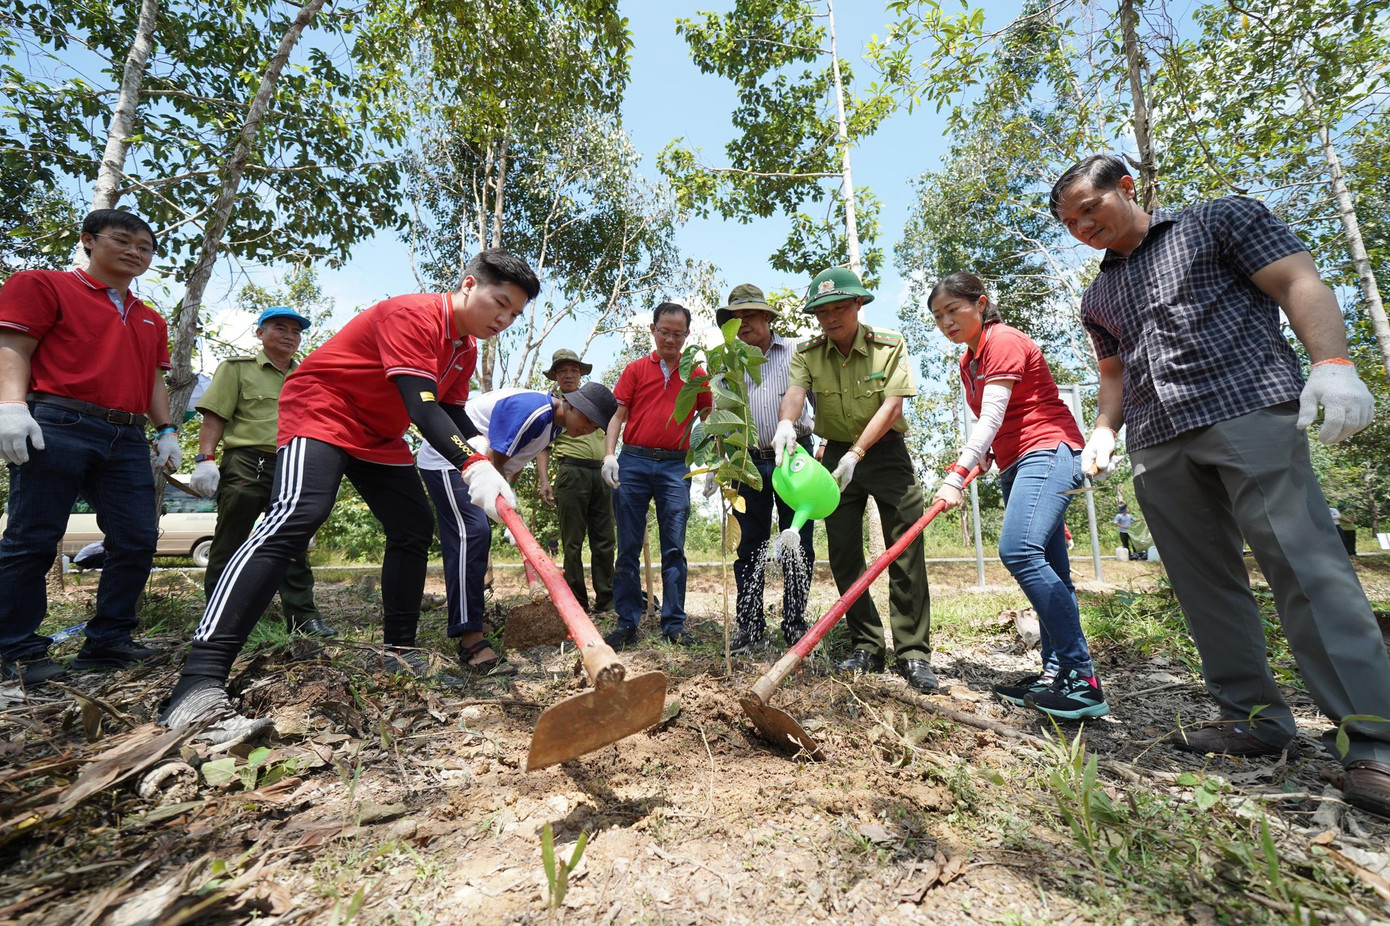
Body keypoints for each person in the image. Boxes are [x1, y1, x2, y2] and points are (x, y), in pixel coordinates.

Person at [1052, 154, 1390, 817]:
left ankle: (1374, 738)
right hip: (1155, 437)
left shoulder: (1217, 221)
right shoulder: (1098, 295)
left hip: (1245, 408)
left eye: (1090, 208)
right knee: (1203, 581)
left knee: (1305, 565)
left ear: (1126, 187)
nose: (1083, 226)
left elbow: (1298, 280)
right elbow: (1115, 375)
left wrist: (1333, 362)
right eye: (1070, 222)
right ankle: (1254, 717)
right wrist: (1102, 430)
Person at [160, 249, 539, 744]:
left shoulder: (462, 349)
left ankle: (398, 650)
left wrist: (484, 456)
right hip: (323, 410)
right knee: (297, 516)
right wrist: (471, 464)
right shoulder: (413, 315)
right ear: (469, 285)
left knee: (411, 528)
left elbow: (452, 412)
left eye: (515, 315)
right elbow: (422, 408)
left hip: (380, 436)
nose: (505, 320)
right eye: (500, 303)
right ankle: (198, 681)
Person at [0, 209, 180, 686]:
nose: (134, 252)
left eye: (145, 248)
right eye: (122, 241)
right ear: (88, 240)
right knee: (33, 535)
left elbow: (154, 379)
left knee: (138, 537)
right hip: (58, 419)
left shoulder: (149, 318)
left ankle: (108, 641)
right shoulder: (43, 285)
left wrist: (165, 430)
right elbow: (13, 345)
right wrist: (11, 407)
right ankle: (14, 649)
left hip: (124, 434)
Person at [929, 271, 1105, 719]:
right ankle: (1055, 673)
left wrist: (958, 471)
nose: (946, 322)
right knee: (1052, 570)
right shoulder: (967, 360)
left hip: (1047, 449)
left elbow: (990, 417)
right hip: (1016, 461)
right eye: (937, 316)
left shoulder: (1002, 340)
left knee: (1019, 551)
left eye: (953, 309)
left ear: (981, 304)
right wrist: (986, 455)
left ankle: (1080, 678)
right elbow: (996, 426)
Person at [773, 267, 937, 692]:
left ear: (858, 305)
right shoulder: (808, 353)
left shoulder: (889, 345)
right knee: (844, 552)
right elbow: (794, 393)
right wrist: (786, 424)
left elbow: (893, 407)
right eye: (821, 312)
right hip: (833, 458)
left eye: (839, 308)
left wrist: (858, 453)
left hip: (884, 454)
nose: (830, 318)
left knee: (904, 550)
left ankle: (913, 652)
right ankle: (865, 643)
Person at [417, 381, 617, 674]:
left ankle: (470, 617)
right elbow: (497, 458)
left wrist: (509, 504)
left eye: (594, 426)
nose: (587, 429)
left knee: (477, 537)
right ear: (570, 404)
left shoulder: (554, 425)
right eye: (586, 419)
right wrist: (506, 509)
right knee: (470, 535)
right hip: (447, 460)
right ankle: (469, 637)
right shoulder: (534, 412)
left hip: (474, 465)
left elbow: (513, 462)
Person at [189, 306, 335, 638]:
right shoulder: (237, 369)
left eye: (296, 332)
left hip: (294, 466)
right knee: (230, 541)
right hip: (247, 462)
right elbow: (215, 417)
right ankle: (220, 618)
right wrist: (204, 458)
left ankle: (303, 617)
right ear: (260, 333)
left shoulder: (307, 376)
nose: (289, 336)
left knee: (293, 544)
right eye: (280, 328)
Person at [706, 283, 815, 651]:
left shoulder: (796, 352)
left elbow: (817, 400)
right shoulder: (725, 363)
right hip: (746, 462)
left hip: (794, 457)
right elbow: (718, 412)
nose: (742, 323)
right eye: (734, 318)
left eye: (749, 315)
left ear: (767, 317)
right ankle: (749, 626)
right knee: (749, 544)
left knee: (798, 542)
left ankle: (795, 624)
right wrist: (716, 461)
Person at [602, 302, 712, 649]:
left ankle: (674, 624)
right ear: (652, 330)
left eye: (677, 333)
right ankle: (626, 622)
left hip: (676, 466)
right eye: (664, 331)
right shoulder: (635, 370)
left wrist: (713, 464)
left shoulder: (696, 374)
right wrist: (609, 455)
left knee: (674, 548)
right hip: (633, 461)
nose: (670, 338)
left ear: (687, 336)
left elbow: (709, 419)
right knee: (628, 546)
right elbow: (618, 416)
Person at [539, 349, 615, 615]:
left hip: (601, 473)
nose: (568, 375)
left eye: (573, 370)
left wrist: (612, 459)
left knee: (605, 539)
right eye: (562, 371)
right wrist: (544, 480)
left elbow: (611, 431)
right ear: (556, 376)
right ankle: (577, 601)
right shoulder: (553, 407)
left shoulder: (597, 405)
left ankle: (607, 599)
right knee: (572, 541)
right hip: (571, 473)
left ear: (580, 374)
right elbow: (543, 446)